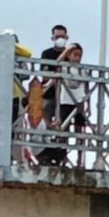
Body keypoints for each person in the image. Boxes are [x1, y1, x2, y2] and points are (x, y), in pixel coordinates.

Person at [37, 23, 69, 166]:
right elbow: (44, 75)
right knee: (45, 125)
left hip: (65, 97)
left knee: (64, 126)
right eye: (57, 37)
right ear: (52, 38)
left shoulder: (71, 54)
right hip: (48, 95)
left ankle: (61, 156)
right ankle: (44, 156)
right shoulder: (47, 54)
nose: (60, 39)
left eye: (62, 37)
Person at [57, 42, 87, 167]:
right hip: (65, 101)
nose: (77, 58)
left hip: (79, 102)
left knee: (79, 131)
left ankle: (80, 159)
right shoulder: (64, 67)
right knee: (64, 131)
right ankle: (62, 157)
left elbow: (87, 86)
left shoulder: (83, 70)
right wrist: (66, 51)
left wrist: (87, 104)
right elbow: (56, 63)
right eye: (74, 55)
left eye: (79, 55)